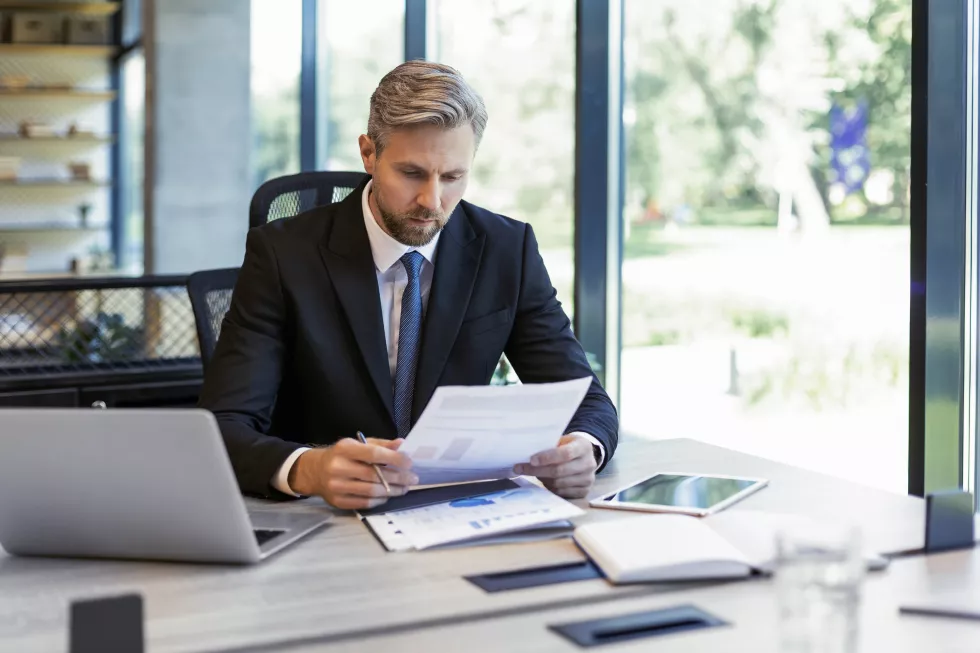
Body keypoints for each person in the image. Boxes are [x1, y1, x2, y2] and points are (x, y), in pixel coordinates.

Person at [199, 61, 618, 510]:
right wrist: (308, 469)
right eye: (412, 173)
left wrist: (583, 448)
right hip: (323, 521)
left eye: (453, 177)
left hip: (452, 511)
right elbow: (222, 426)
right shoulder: (284, 255)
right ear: (368, 153)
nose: (432, 201)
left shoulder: (505, 249)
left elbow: (588, 401)